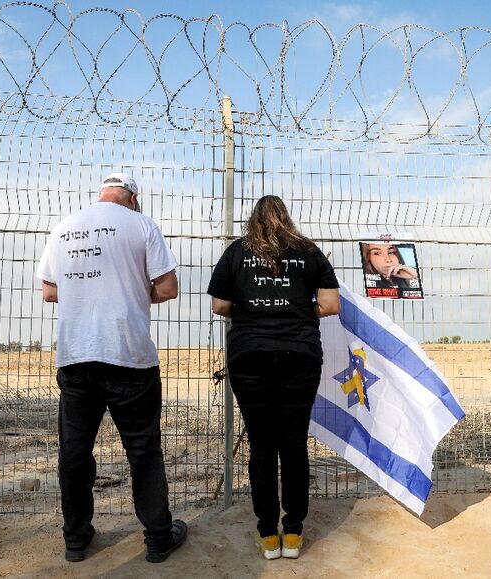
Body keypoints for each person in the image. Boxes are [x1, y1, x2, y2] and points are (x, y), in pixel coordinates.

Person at [36, 172, 187, 564]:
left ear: (102, 194)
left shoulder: (64, 227)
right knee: (143, 450)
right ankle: (157, 537)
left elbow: (50, 291)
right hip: (128, 356)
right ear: (133, 198)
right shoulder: (141, 225)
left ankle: (76, 538)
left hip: (76, 355)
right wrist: (131, 291)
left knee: (75, 453)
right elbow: (168, 288)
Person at [207, 195, 340, 560]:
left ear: (254, 219)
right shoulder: (309, 252)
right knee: (294, 444)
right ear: (286, 217)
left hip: (250, 356)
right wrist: (298, 309)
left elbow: (219, 305)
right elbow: (330, 306)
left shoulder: (237, 251)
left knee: (262, 445)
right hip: (300, 355)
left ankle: (268, 535)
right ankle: (294, 533)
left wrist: (251, 312)